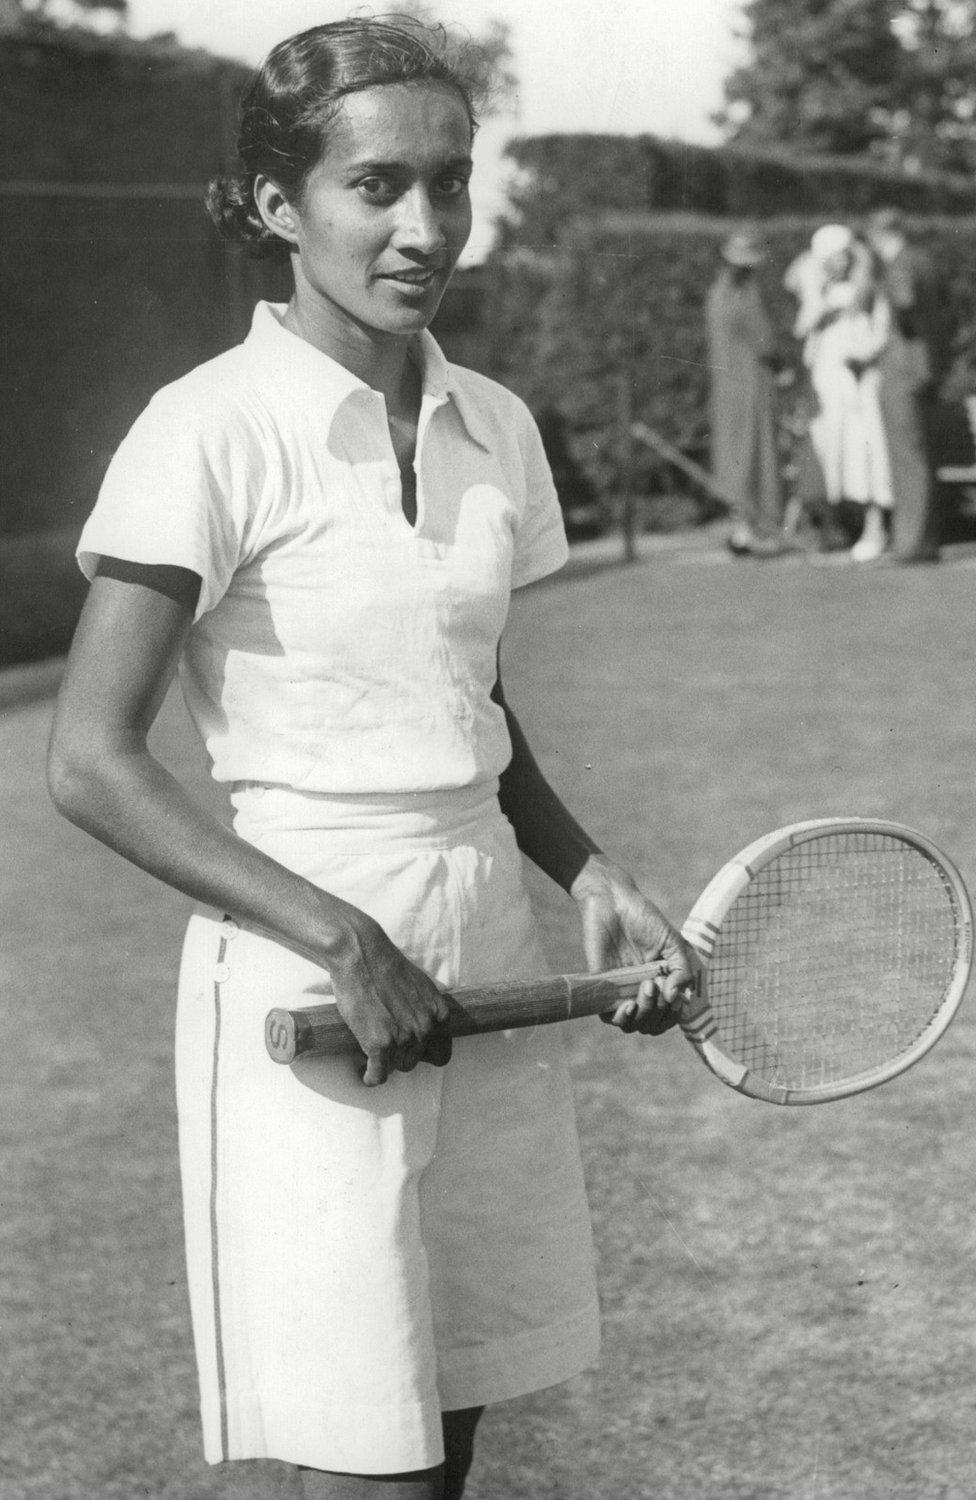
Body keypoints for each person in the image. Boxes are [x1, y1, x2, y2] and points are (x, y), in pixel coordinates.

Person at [46, 18, 697, 1500]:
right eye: (379, 188)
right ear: (280, 206)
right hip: (303, 952)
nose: (426, 228)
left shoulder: (498, 426)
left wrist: (592, 871)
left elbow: (469, 700)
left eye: (452, 186)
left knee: (454, 1427)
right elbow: (91, 761)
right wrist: (342, 941)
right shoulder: (202, 431)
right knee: (368, 1468)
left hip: (483, 926)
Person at [785, 224, 893, 562]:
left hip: (858, 385)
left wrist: (860, 356)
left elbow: (879, 334)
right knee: (830, 456)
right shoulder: (818, 291)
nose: (834, 265)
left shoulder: (870, 288)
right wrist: (821, 305)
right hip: (827, 386)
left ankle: (875, 528)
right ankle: (835, 527)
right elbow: (802, 328)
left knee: (865, 455)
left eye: (840, 258)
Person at [865, 208, 949, 563]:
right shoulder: (926, 260)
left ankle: (910, 542)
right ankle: (926, 540)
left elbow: (904, 301)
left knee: (905, 459)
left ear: (876, 235)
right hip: (927, 367)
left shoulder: (899, 263)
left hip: (902, 368)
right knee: (922, 456)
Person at [705, 230, 784, 556]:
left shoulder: (717, 291)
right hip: (751, 382)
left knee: (734, 456)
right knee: (756, 455)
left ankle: (741, 527)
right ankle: (752, 528)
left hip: (725, 387)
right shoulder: (745, 293)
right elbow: (764, 340)